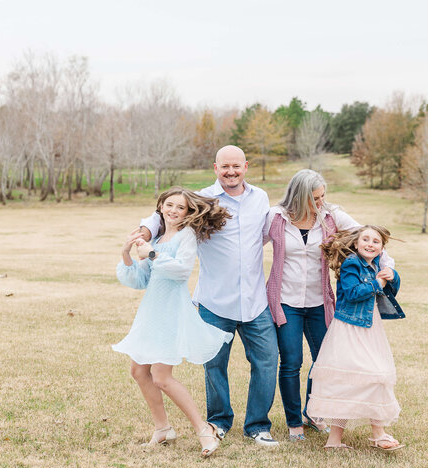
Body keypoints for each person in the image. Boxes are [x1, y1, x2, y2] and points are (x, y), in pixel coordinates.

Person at [135, 146, 280, 447]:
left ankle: (257, 426)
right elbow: (163, 212)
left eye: (236, 166)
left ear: (245, 167)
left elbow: (269, 230)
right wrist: (144, 232)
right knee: (214, 365)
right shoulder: (203, 199)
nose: (231, 171)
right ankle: (219, 421)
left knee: (267, 362)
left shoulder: (261, 198)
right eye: (225, 166)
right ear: (215, 168)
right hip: (215, 300)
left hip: (255, 300)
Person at [264, 169, 395, 441]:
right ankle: (293, 422)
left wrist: (387, 266)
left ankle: (315, 414)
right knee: (291, 362)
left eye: (323, 196)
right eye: (314, 199)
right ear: (299, 197)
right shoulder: (275, 217)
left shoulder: (331, 216)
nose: (320, 203)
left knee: (323, 362)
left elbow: (368, 235)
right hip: (285, 301)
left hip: (319, 303)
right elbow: (250, 245)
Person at [113, 187, 233, 457]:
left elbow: (180, 272)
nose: (174, 211)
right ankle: (163, 428)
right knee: (139, 371)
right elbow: (141, 279)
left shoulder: (186, 236)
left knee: (162, 377)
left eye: (181, 207)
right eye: (169, 205)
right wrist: (126, 253)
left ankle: (204, 430)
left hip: (171, 311)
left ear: (189, 212)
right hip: (152, 311)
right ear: (161, 207)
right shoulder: (158, 237)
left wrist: (152, 253)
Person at [305, 225, 406, 451]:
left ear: (382, 247)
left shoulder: (377, 264)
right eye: (366, 240)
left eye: (376, 241)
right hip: (349, 329)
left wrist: (393, 276)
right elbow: (351, 293)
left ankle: (344, 439)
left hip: (369, 328)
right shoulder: (351, 263)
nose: (370, 244)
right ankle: (371, 436)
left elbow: (389, 292)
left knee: (368, 378)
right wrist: (377, 283)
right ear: (356, 243)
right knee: (356, 379)